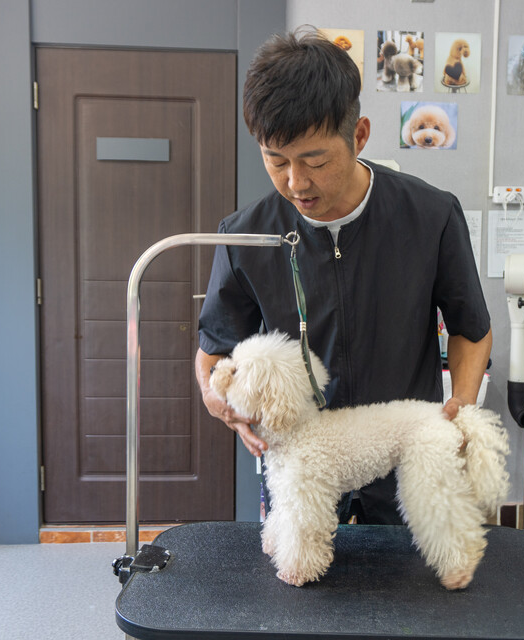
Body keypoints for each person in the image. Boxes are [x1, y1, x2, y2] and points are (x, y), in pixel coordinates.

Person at [194, 28, 492, 525]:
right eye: (276, 160)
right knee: (296, 587)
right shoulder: (245, 236)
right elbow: (214, 349)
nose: (296, 182)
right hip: (301, 468)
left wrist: (460, 406)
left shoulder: (431, 216)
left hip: (403, 460)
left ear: (358, 136)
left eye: (315, 161)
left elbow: (470, 329)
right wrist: (216, 398)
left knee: (411, 594)